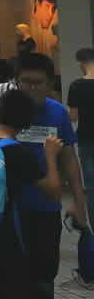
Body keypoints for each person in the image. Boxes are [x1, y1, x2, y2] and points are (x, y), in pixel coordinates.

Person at [0, 52, 88, 298]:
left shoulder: (57, 113)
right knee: (13, 274)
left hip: (46, 207)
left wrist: (78, 200)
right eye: (25, 81)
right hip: (9, 209)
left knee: (44, 274)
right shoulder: (2, 112)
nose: (31, 88)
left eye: (38, 82)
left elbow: (69, 157)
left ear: (50, 84)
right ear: (16, 81)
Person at [0, 90, 63, 298]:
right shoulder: (19, 153)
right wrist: (50, 155)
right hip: (3, 234)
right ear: (27, 124)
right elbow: (53, 191)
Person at [69, 48, 94, 226]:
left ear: (80, 62)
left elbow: (73, 116)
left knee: (91, 188)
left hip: (87, 138)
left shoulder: (77, 85)